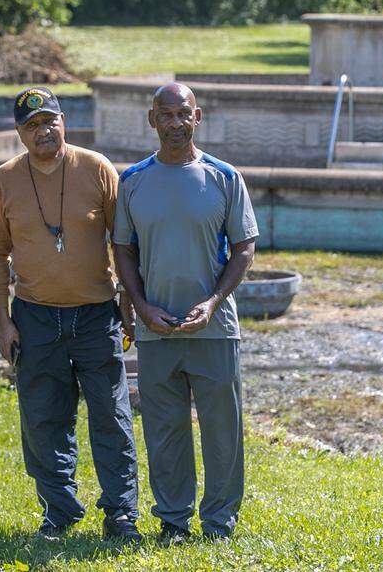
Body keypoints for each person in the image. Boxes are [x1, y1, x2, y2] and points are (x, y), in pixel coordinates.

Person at [0, 87, 141, 543]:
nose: (43, 131)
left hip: (95, 315)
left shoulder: (96, 168)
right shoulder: (4, 178)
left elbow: (123, 243)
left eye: (50, 120)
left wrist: (127, 301)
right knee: (42, 417)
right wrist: (1, 319)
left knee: (111, 416)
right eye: (32, 125)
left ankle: (121, 513)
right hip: (34, 316)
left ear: (64, 121)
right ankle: (60, 509)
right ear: (19, 133)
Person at [113, 82, 258, 542]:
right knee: (164, 432)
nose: (175, 123)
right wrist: (139, 306)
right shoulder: (133, 180)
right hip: (156, 329)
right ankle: (173, 521)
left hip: (215, 329)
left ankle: (219, 522)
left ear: (198, 118)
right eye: (166, 114)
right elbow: (123, 249)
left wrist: (213, 303)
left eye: (184, 114)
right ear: (151, 119)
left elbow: (244, 248)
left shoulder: (224, 177)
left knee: (222, 432)